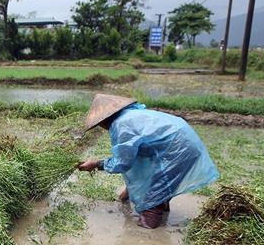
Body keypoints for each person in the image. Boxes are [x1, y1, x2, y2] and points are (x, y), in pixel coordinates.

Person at [77, 94, 219, 229]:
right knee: (161, 186)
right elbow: (138, 160)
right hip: (184, 141)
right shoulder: (131, 115)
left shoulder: (121, 125)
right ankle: (162, 213)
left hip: (178, 149)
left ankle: (149, 232)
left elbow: (123, 163)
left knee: (151, 201)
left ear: (103, 121)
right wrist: (129, 191)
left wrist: (96, 164)